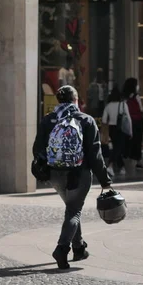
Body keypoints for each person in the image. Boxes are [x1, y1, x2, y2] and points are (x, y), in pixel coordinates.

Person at [32, 85, 112, 270]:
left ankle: (78, 247)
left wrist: (44, 170)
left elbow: (38, 149)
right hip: (79, 174)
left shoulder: (48, 120)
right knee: (74, 211)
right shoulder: (86, 120)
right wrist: (105, 181)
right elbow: (95, 155)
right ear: (76, 100)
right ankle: (61, 249)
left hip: (55, 174)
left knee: (72, 209)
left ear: (59, 101)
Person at [102, 86, 131, 177]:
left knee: (116, 148)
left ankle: (122, 167)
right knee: (118, 148)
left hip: (112, 128)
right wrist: (130, 131)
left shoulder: (108, 106)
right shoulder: (123, 105)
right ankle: (110, 166)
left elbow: (103, 120)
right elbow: (128, 119)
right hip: (121, 129)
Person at [122, 78, 143, 169]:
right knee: (137, 141)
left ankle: (126, 158)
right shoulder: (136, 97)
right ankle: (138, 160)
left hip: (127, 121)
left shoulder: (124, 97)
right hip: (137, 122)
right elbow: (141, 109)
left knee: (128, 140)